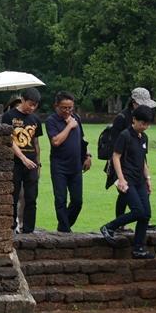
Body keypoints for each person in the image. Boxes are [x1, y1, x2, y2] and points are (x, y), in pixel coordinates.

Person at [99, 104, 156, 259]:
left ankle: (139, 247)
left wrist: (148, 178)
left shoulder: (144, 137)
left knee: (146, 214)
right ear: (134, 120)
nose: (145, 127)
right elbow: (116, 157)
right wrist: (121, 179)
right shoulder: (125, 135)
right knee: (138, 211)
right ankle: (109, 227)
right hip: (127, 178)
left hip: (139, 180)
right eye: (142, 123)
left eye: (147, 124)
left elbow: (143, 160)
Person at [104, 87, 156, 222]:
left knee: (139, 193)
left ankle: (143, 219)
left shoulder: (142, 121)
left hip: (136, 163)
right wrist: (121, 176)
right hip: (122, 164)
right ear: (134, 103)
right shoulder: (122, 118)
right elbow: (115, 148)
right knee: (126, 193)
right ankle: (120, 223)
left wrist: (145, 170)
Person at [45, 90, 92, 232]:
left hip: (75, 166)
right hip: (59, 166)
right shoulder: (51, 121)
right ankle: (65, 231)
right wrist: (69, 126)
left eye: (70, 108)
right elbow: (56, 141)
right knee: (61, 200)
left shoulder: (76, 118)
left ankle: (63, 227)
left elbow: (82, 139)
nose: (67, 111)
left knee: (77, 201)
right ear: (56, 106)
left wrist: (88, 155)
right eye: (64, 108)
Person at [3, 87, 42, 234]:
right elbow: (9, 141)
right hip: (15, 162)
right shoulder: (9, 117)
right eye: (30, 104)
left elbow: (36, 143)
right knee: (13, 196)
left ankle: (29, 229)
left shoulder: (35, 119)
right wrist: (23, 158)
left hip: (31, 163)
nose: (32, 108)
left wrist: (38, 163)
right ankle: (11, 227)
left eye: (35, 105)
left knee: (31, 197)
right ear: (23, 100)